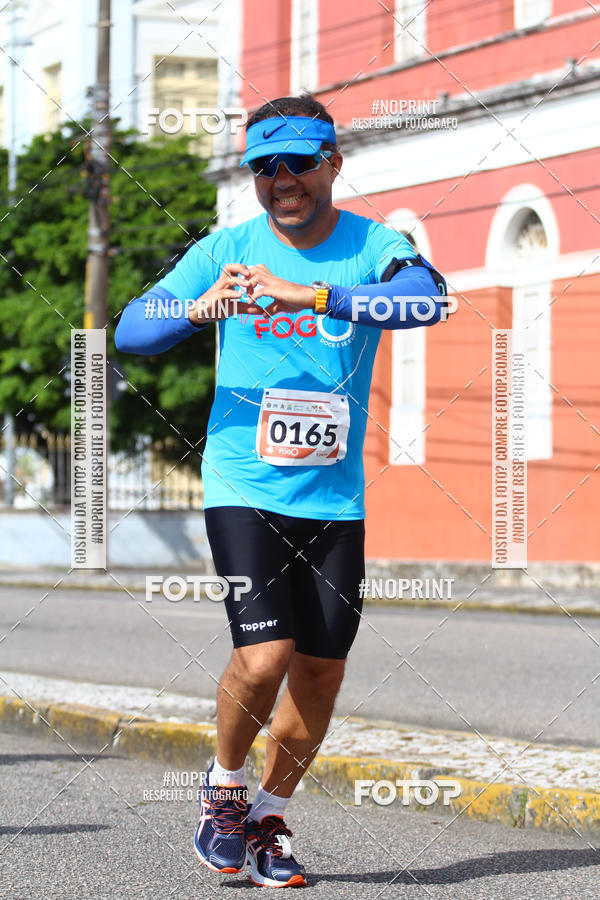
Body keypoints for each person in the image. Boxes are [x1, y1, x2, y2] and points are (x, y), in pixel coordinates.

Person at [115, 93, 449, 888]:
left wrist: (319, 296)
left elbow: (429, 298)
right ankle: (224, 790)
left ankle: (269, 817)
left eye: (299, 161)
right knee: (263, 659)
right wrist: (200, 309)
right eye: (265, 166)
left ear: (333, 163)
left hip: (334, 502)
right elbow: (132, 329)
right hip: (243, 487)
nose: (283, 179)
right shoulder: (225, 249)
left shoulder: (373, 246)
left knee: (322, 672)